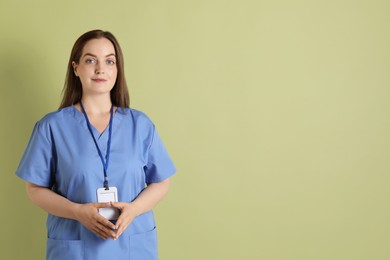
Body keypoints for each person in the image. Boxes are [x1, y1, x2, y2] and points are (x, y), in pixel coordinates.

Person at [16, 29, 176, 260]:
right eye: (90, 60)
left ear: (117, 69)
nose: (101, 69)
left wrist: (133, 210)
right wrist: (77, 212)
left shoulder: (140, 125)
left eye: (109, 61)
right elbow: (35, 189)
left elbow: (161, 182)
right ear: (76, 68)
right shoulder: (52, 127)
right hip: (75, 247)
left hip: (132, 244)